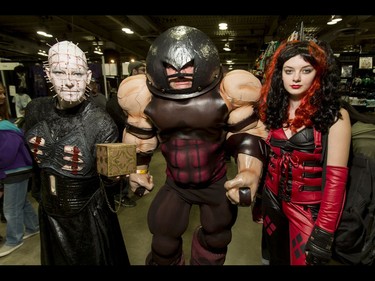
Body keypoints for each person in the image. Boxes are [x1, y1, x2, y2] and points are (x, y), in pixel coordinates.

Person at [117, 25, 268, 265]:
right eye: (171, 66)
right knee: (163, 243)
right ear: (159, 65)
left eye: (187, 65)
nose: (180, 73)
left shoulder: (227, 93)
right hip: (176, 184)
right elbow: (140, 140)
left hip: (216, 181)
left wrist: (249, 171)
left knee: (217, 239)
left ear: (203, 62)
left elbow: (247, 136)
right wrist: (138, 172)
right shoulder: (144, 97)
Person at [23, 40, 129, 265]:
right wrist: (39, 194)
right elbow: (34, 164)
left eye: (78, 73)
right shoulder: (35, 110)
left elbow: (112, 182)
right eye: (60, 72)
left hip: (87, 216)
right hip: (49, 212)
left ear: (88, 76)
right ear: (48, 74)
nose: (70, 82)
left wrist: (118, 178)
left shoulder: (101, 124)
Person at [257, 40, 352, 265]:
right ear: (279, 74)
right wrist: (259, 201)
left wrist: (324, 233)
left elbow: (336, 182)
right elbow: (269, 160)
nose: (296, 78)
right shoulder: (274, 111)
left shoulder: (335, 117)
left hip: (308, 211)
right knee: (274, 259)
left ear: (318, 73)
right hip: (272, 205)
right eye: (289, 71)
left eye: (305, 70)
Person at [0, 81, 39, 257]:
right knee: (20, 203)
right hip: (16, 170)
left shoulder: (5, 128)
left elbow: (7, 153)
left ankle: (14, 239)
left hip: (15, 170)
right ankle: (33, 226)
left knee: (10, 209)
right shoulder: (6, 125)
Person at [104, 61, 146, 208]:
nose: (145, 73)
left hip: (133, 138)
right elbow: (120, 116)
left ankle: (127, 191)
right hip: (120, 140)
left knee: (134, 167)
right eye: (142, 70)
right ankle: (120, 196)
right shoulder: (122, 93)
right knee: (123, 170)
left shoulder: (141, 90)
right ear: (134, 72)